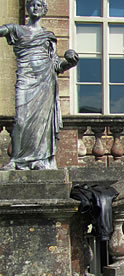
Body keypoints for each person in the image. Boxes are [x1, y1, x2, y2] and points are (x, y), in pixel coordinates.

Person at [0, 0, 78, 170]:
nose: (35, 8)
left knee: (42, 122)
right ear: (28, 8)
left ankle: (38, 159)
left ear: (44, 10)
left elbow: (56, 65)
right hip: (26, 78)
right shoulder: (16, 29)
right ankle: (16, 159)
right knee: (21, 120)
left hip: (45, 80)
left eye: (39, 5)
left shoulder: (48, 36)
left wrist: (70, 62)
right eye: (32, 5)